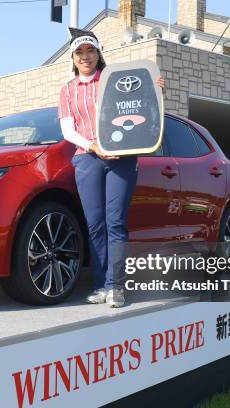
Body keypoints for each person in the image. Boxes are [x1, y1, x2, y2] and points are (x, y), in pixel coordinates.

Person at [58, 28, 165, 308]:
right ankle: (101, 285)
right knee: (95, 225)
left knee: (115, 222)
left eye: (90, 51)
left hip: (122, 158)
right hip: (87, 158)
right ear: (73, 57)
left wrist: (154, 88)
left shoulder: (112, 80)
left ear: (98, 53)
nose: (85, 57)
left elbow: (141, 102)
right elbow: (67, 129)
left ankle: (116, 286)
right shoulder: (68, 90)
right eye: (80, 53)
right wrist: (93, 146)